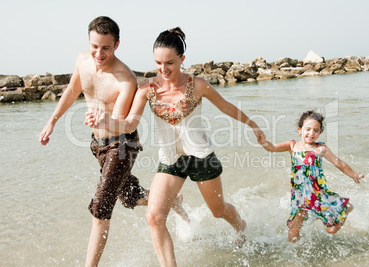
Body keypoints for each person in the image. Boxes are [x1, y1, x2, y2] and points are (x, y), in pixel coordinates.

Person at [85, 27, 266, 267]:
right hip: (171, 160)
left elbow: (227, 107)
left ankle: (241, 227)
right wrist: (106, 122)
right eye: (158, 63)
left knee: (218, 210)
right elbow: (130, 123)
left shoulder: (197, 85)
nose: (163, 69)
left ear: (182, 59)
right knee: (154, 216)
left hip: (202, 157)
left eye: (169, 62)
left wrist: (253, 126)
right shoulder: (147, 89)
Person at [38, 16, 188, 267]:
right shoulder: (82, 60)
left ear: (117, 45)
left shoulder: (125, 79)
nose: (99, 53)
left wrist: (104, 118)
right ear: (88, 41)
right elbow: (73, 90)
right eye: (95, 46)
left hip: (121, 145)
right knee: (129, 196)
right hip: (98, 146)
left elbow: (122, 122)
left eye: (106, 47)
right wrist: (52, 121)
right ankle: (170, 200)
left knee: (100, 208)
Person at [260, 110, 364, 242]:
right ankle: (296, 257)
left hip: (317, 194)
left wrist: (354, 174)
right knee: (293, 229)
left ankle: (346, 208)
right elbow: (272, 147)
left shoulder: (321, 149)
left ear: (320, 132)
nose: (311, 133)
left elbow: (339, 163)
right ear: (300, 130)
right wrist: (263, 142)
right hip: (299, 196)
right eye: (307, 129)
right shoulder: (292, 146)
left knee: (331, 230)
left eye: (316, 130)